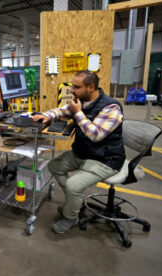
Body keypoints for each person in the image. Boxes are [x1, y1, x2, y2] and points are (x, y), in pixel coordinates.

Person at [33, 70, 125, 234]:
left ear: (91, 87)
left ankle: (71, 217)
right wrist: (46, 116)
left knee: (73, 185)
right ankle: (76, 201)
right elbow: (62, 111)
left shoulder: (111, 107)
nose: (72, 90)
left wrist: (78, 112)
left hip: (105, 159)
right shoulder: (81, 101)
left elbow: (95, 135)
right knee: (54, 166)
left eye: (77, 87)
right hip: (82, 154)